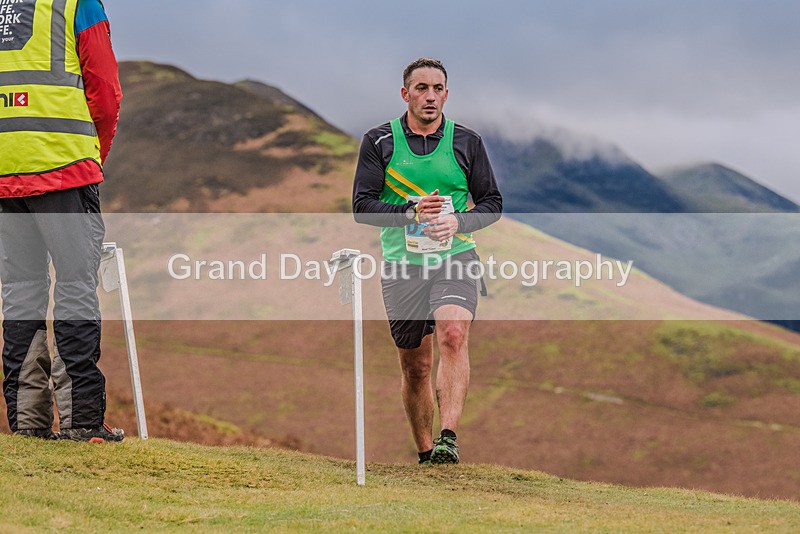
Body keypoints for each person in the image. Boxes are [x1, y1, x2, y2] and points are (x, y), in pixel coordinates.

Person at [353, 58, 502, 464]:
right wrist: (409, 213)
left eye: (437, 88)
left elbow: (492, 204)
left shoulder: (467, 142)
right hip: (403, 265)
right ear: (406, 94)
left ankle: (448, 438)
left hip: (455, 255)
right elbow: (361, 207)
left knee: (453, 334)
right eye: (421, 88)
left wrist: (456, 221)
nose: (430, 96)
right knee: (416, 365)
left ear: (447, 95)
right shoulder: (379, 141)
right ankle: (425, 453)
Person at [0, 0, 123, 442]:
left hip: (5, 177)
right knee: (74, 288)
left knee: (20, 293)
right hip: (65, 170)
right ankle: (82, 422)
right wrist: (93, 158)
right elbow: (105, 91)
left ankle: (27, 423)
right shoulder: (78, 3)